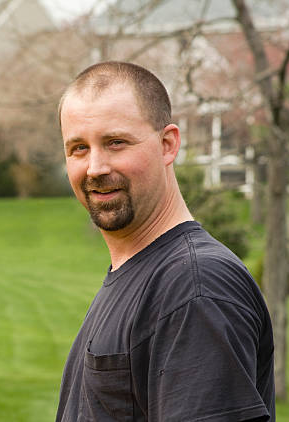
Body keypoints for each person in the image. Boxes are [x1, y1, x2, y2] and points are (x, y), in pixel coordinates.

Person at [55, 61, 275, 422]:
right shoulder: (140, 272)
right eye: (79, 148)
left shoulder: (194, 285)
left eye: (116, 143)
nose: (95, 167)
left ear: (167, 144)